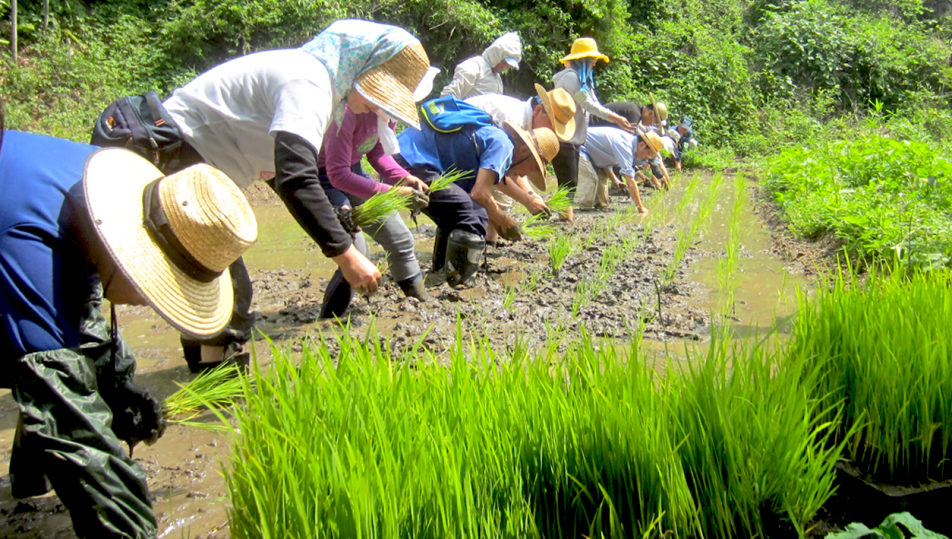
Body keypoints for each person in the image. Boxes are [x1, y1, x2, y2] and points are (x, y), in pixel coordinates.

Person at [92, 20, 432, 371]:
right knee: (228, 292)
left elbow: (283, 177)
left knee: (216, 288)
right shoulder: (309, 82)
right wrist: (347, 257)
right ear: (360, 67)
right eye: (379, 97)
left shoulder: (315, 84)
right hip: (178, 156)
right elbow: (295, 179)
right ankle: (219, 396)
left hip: (192, 164)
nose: (379, 109)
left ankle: (206, 382)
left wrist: (335, 223)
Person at [1, 102, 257, 537]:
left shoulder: (92, 185)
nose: (146, 303)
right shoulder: (33, 252)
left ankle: (27, 483)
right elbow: (69, 422)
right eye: (156, 286)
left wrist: (119, 387)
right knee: (40, 372)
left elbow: (81, 316)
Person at [394, 97, 559, 286]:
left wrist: (499, 218)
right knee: (473, 214)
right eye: (533, 167)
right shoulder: (503, 146)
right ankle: (459, 285)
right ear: (523, 152)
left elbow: (485, 187)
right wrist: (502, 219)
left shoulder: (499, 141)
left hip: (405, 158)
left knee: (457, 212)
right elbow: (479, 194)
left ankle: (440, 274)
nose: (526, 174)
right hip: (411, 164)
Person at [316, 104, 431, 318]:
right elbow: (337, 175)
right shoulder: (349, 112)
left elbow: (377, 153)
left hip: (353, 171)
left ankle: (420, 309)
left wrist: (404, 177)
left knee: (401, 239)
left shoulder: (388, 113)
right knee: (355, 253)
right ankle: (327, 325)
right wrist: (393, 193)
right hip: (323, 176)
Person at [465, 83, 577, 242]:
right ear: (538, 111)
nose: (551, 134)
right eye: (552, 127)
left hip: (477, 154)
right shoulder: (512, 120)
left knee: (502, 201)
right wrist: (525, 200)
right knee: (490, 199)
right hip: (459, 149)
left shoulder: (525, 123)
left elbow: (516, 167)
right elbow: (499, 169)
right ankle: (484, 243)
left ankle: (488, 244)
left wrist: (531, 195)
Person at [551, 38, 633, 191]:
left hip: (575, 137)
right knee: (569, 183)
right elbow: (587, 104)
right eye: (593, 59)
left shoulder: (583, 80)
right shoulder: (571, 78)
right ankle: (564, 215)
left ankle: (566, 215)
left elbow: (594, 103)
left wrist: (617, 119)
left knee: (570, 184)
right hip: (565, 137)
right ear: (584, 60)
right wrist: (616, 118)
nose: (595, 63)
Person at [576, 125, 665, 213]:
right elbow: (630, 180)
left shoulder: (629, 146)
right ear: (641, 145)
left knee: (602, 200)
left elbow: (606, 161)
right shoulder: (625, 145)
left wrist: (615, 181)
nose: (646, 158)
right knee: (589, 188)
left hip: (596, 157)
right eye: (649, 154)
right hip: (581, 148)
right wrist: (640, 207)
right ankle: (582, 210)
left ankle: (594, 206)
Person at [440, 32, 522, 99]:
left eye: (509, 65)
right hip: (465, 117)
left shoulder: (497, 79)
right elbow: (449, 94)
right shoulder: (475, 66)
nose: (505, 67)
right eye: (504, 62)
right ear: (496, 55)